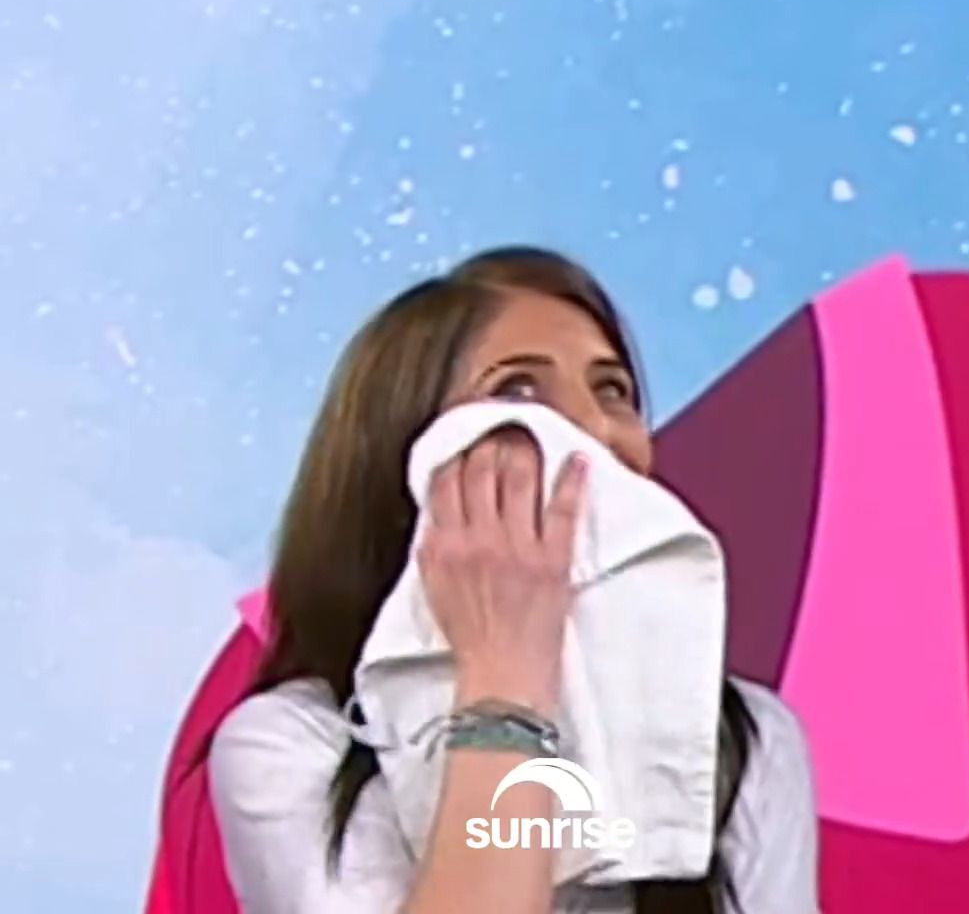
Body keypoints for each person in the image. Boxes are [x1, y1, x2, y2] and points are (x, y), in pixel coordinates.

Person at [207, 247, 820, 913]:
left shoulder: (747, 740)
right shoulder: (293, 746)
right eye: (518, 391)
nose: (595, 429)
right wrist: (505, 676)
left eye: (613, 391)